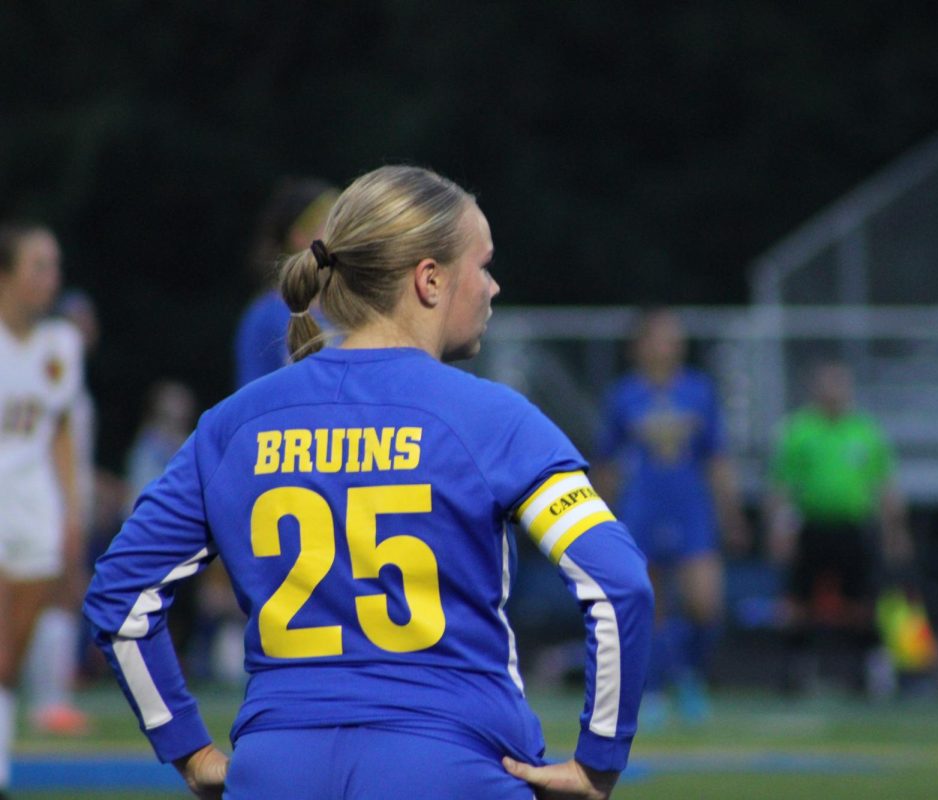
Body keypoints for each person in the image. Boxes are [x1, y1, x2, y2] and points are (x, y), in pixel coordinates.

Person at [84, 165, 653, 800]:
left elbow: (120, 594)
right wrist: (598, 763)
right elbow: (618, 583)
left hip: (277, 772)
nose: (493, 286)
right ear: (429, 280)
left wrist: (188, 750)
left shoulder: (233, 425)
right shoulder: (492, 419)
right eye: (484, 264)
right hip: (450, 767)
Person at [593, 309, 746, 725]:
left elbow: (716, 459)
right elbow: (606, 462)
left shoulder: (699, 392)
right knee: (651, 605)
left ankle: (689, 673)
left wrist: (729, 513)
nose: (671, 344)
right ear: (641, 345)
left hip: (690, 509)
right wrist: (598, 519)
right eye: (661, 337)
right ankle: (657, 687)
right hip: (643, 508)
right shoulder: (624, 396)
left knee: (705, 603)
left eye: (674, 337)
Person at [765, 360, 912, 693]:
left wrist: (896, 530)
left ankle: (873, 667)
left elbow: (884, 485)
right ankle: (796, 667)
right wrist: (779, 528)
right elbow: (782, 486)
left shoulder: (865, 431)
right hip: (812, 527)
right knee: (799, 601)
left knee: (865, 599)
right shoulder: (799, 430)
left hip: (854, 527)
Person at [0, 222, 85, 797]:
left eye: (53, 265)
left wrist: (71, 510)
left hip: (32, 510)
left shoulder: (62, 345)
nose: (50, 278)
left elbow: (58, 430)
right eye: (38, 265)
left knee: (7, 658)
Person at [21, 289, 102, 736]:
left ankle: (51, 695)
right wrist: (66, 512)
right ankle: (49, 700)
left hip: (64, 503)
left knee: (62, 598)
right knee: (57, 597)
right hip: (51, 507)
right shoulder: (53, 385)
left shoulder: (74, 386)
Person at [233, 177, 337, 388]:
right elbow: (251, 394)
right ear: (299, 237)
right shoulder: (267, 316)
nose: (342, 236)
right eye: (330, 226)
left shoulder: (350, 310)